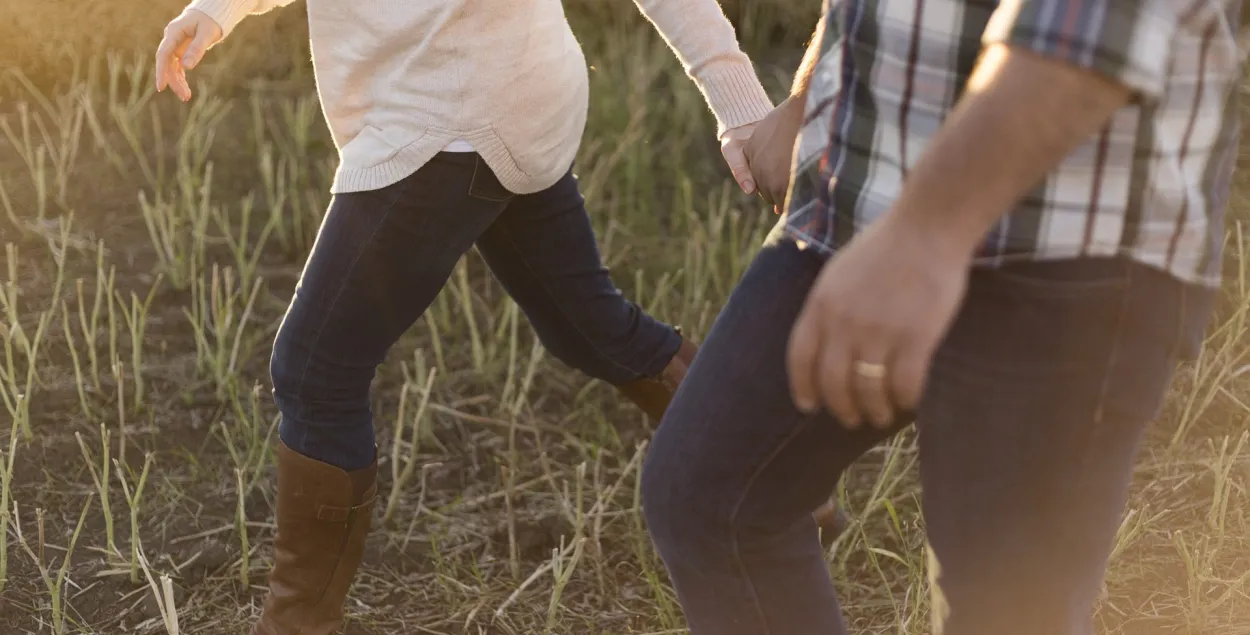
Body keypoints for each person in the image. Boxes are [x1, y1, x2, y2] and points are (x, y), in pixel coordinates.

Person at [153, 1, 849, 633]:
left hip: (447, 118)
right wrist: (214, 12)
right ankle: (779, 476)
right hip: (505, 96)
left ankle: (295, 623)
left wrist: (744, 111)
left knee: (312, 368)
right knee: (588, 327)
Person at [640, 0, 1243, 632]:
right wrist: (815, 87)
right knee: (711, 499)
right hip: (863, 196)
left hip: (1065, 238)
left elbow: (1094, 28)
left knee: (1004, 612)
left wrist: (924, 235)